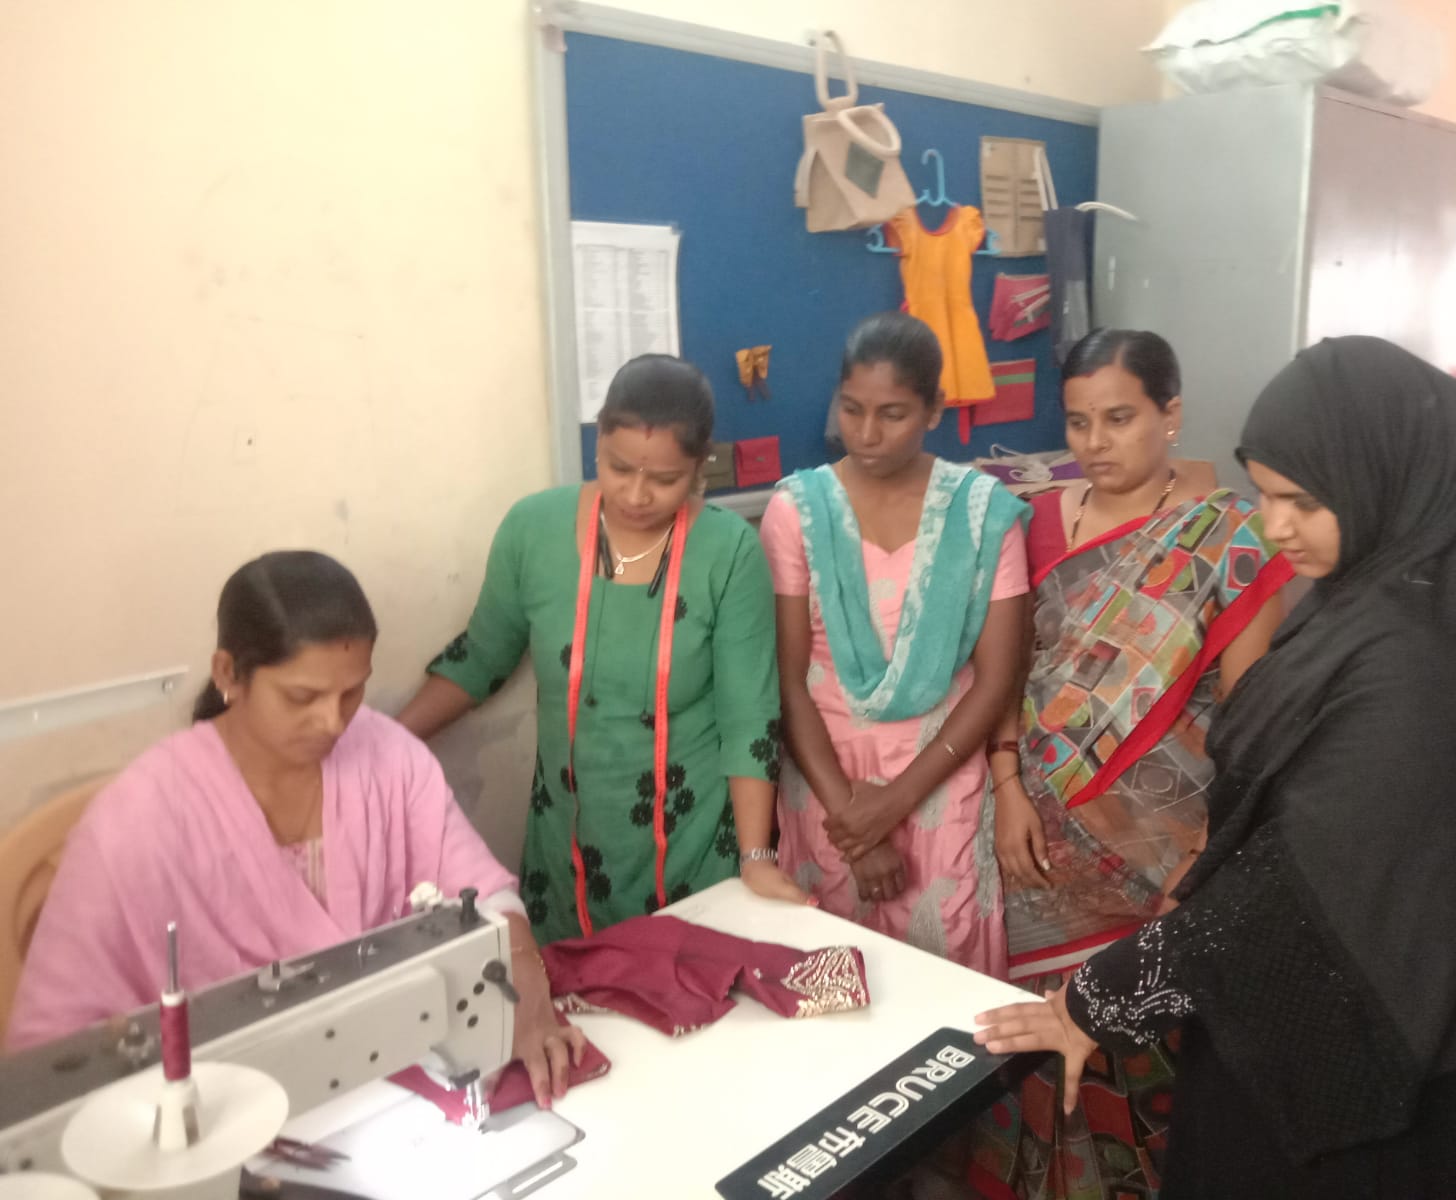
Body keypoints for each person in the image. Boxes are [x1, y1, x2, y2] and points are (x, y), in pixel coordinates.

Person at [975, 337, 1456, 1197]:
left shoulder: (1418, 672)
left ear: (1385, 484)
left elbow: (1291, 897)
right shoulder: (1370, 606)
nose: (1274, 525)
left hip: (1368, 1050)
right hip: (1335, 1006)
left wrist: (1094, 1002)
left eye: (1301, 501)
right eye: (1263, 495)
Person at [7, 552, 585, 1107]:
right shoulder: (136, 820)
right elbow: (53, 1052)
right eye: (302, 697)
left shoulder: (389, 756)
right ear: (229, 673)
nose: (333, 721)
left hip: (383, 1083)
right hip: (222, 1113)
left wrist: (526, 976)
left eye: (352, 691)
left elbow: (483, 889)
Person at [972, 329, 1289, 1198]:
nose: (1094, 444)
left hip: (1166, 850)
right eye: (1077, 423)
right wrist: (1005, 788)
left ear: (1171, 414)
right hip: (1034, 840)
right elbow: (1004, 672)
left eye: (1119, 418)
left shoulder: (1229, 537)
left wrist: (1214, 843)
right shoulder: (1032, 522)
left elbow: (1249, 712)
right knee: (1030, 1040)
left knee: (1141, 1047)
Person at [398, 354, 803, 945]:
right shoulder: (532, 530)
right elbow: (481, 658)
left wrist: (756, 857)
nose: (636, 494)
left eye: (664, 479)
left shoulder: (729, 552)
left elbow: (749, 718)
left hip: (694, 850)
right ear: (597, 446)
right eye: (618, 468)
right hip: (567, 853)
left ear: (699, 467)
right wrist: (383, 742)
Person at [759, 311, 1029, 979]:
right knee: (828, 982)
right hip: (825, 778)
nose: (867, 434)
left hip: (942, 774)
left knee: (949, 985)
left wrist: (898, 800)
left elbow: (997, 678)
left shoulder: (984, 513)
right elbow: (787, 679)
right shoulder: (797, 510)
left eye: (893, 413)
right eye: (851, 410)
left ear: (935, 408)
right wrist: (853, 819)